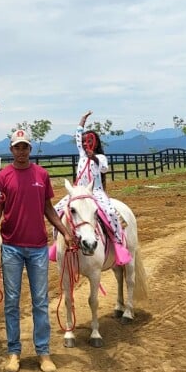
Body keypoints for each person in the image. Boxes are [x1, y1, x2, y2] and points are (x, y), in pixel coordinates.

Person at [0, 129, 73, 372]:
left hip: (38, 248)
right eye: (17, 147)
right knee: (11, 302)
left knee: (40, 301)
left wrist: (65, 231)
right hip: (11, 247)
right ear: (11, 150)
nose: (21, 151)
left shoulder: (42, 174)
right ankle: (14, 353)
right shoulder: (3, 177)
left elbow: (48, 209)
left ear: (30, 149)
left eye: (25, 147)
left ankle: (43, 352)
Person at [54, 110, 131, 265]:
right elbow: (77, 136)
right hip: (77, 192)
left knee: (110, 212)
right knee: (57, 210)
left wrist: (93, 157)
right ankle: (57, 243)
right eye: (83, 142)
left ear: (94, 143)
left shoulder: (101, 157)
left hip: (95, 192)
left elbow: (104, 169)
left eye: (88, 141)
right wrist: (82, 120)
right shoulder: (82, 154)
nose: (84, 144)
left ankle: (117, 244)